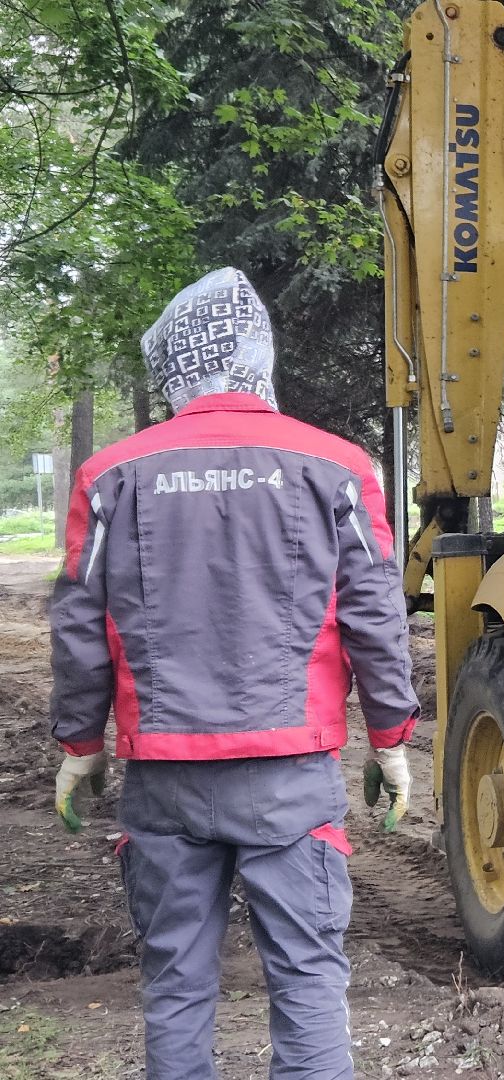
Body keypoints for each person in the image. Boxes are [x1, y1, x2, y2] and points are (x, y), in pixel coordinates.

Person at [48, 266, 419, 1080]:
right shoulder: (337, 465)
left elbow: (80, 620)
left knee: (176, 984)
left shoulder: (110, 476)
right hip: (291, 777)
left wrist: (81, 744)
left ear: (174, 366)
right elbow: (375, 615)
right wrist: (392, 738)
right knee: (309, 981)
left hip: (164, 778)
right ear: (260, 358)